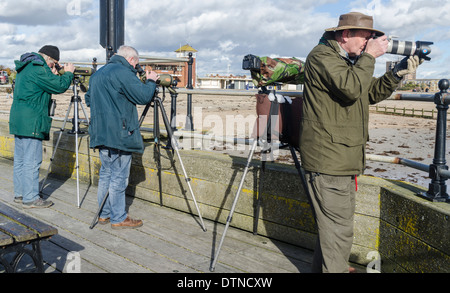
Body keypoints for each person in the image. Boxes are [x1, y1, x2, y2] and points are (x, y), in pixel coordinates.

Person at [299, 12, 422, 273]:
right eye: (366, 38)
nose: (368, 44)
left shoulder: (346, 61)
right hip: (329, 159)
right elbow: (351, 87)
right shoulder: (322, 57)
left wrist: (397, 72)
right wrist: (370, 57)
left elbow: (370, 93)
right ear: (346, 35)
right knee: (339, 230)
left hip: (342, 158)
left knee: (333, 229)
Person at [85, 45, 158, 229]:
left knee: (106, 173)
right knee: (118, 176)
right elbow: (143, 96)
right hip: (120, 133)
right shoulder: (123, 72)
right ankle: (118, 218)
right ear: (132, 60)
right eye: (136, 65)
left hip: (100, 132)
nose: (136, 68)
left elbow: (88, 99)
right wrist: (150, 81)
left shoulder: (98, 74)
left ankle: (104, 214)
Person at [10, 45, 75, 208]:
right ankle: (31, 198)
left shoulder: (26, 66)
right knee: (32, 160)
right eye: (53, 64)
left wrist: (51, 73)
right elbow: (59, 86)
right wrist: (68, 73)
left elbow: (41, 86)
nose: (53, 68)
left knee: (20, 159)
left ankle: (20, 193)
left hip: (19, 119)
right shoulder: (39, 68)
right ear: (49, 59)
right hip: (32, 120)